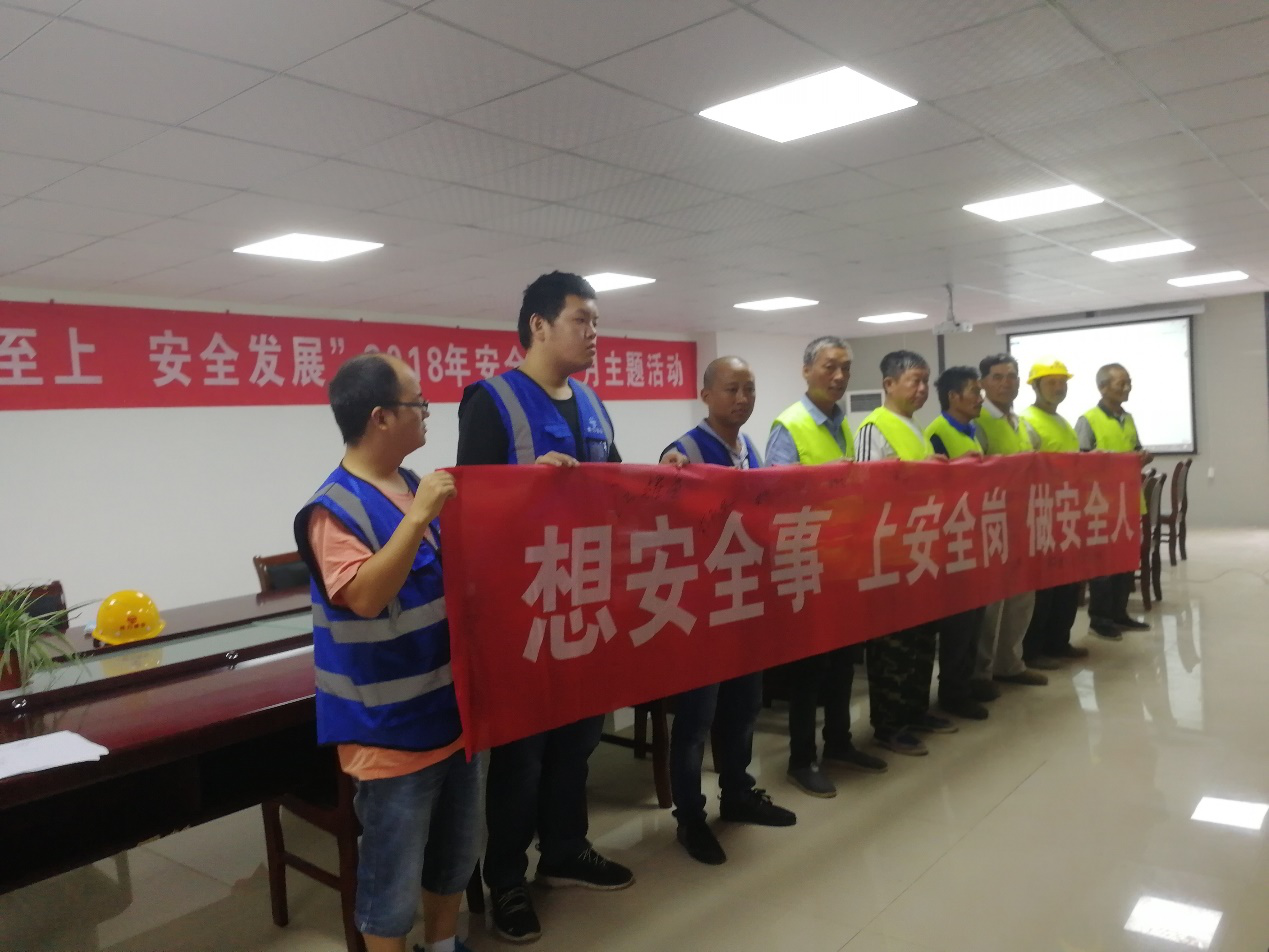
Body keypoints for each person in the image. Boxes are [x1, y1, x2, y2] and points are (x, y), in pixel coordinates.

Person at [456, 272, 632, 945]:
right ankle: (505, 876)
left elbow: (616, 488)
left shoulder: (592, 404)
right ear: (538, 324)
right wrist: (528, 489)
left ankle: (564, 850)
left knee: (577, 742)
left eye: (596, 322)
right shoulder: (491, 403)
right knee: (521, 756)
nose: (593, 334)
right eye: (581, 320)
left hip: (584, 604)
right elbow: (470, 512)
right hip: (521, 613)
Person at [294, 352, 479, 952]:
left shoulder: (414, 484)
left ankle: (444, 944)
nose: (427, 412)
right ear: (380, 417)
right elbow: (367, 596)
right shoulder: (334, 509)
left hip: (452, 713)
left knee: (454, 855)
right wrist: (419, 517)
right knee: (390, 883)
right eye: (417, 403)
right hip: (390, 732)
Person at [657, 356, 796, 865]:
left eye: (749, 389)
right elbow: (664, 527)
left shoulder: (749, 449)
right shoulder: (683, 452)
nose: (742, 399)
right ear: (706, 395)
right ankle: (690, 818)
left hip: (743, 604)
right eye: (731, 389)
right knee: (696, 720)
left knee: (743, 708)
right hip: (700, 613)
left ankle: (737, 793)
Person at [766, 336, 887, 798]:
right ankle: (802, 759)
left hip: (842, 562)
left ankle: (839, 742)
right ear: (806, 370)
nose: (838, 377)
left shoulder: (842, 424)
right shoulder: (789, 425)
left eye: (845, 369)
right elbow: (774, 498)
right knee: (809, 671)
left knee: (841, 664)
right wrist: (826, 481)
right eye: (829, 367)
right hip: (806, 564)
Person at [855, 350, 959, 757]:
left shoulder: (914, 428)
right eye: (915, 380)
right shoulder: (873, 427)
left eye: (925, 381)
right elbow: (867, 492)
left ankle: (915, 711)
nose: (922, 389)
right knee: (892, 648)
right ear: (889, 384)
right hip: (889, 557)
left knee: (920, 641)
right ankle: (889, 725)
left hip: (920, 551)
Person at [920, 366, 993, 718]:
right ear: (953, 396)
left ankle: (967, 682)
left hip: (974, 534)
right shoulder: (937, 432)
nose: (980, 398)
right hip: (951, 539)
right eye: (975, 391)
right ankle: (953, 691)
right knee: (957, 623)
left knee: (975, 616)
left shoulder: (972, 431)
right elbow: (937, 486)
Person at [973, 354, 1048, 693]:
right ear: (983, 383)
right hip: (990, 525)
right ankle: (983, 673)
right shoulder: (977, 422)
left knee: (1021, 598)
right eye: (997, 376)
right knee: (991, 605)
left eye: (1012, 376)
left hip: (1023, 522)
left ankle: (1011, 663)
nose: (1006, 383)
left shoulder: (1023, 424)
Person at [1019, 358, 1090, 667]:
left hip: (1067, 513)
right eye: (1051, 382)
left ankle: (1059, 641)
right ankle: (1034, 650)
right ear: (1035, 387)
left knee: (1067, 583)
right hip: (1042, 515)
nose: (1059, 387)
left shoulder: (1063, 422)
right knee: (1044, 587)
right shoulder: (1027, 421)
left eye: (1062, 382)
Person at [1076, 363, 1153, 640]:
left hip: (1128, 500)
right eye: (1121, 383)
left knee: (1125, 561)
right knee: (1103, 566)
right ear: (1103, 387)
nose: (1127, 388)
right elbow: (1079, 461)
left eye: (1129, 382)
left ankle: (1120, 613)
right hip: (1100, 504)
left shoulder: (1128, 418)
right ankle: (1100, 619)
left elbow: (1135, 449)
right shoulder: (1088, 419)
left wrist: (1143, 456)